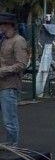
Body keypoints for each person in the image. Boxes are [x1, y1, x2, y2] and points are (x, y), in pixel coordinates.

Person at [0, 13, 28, 146]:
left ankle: (13, 145)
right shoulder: (3, 40)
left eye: (2, 24)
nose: (0, 27)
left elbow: (22, 64)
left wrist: (3, 70)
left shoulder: (18, 41)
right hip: (2, 84)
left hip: (9, 85)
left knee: (9, 119)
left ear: (9, 25)